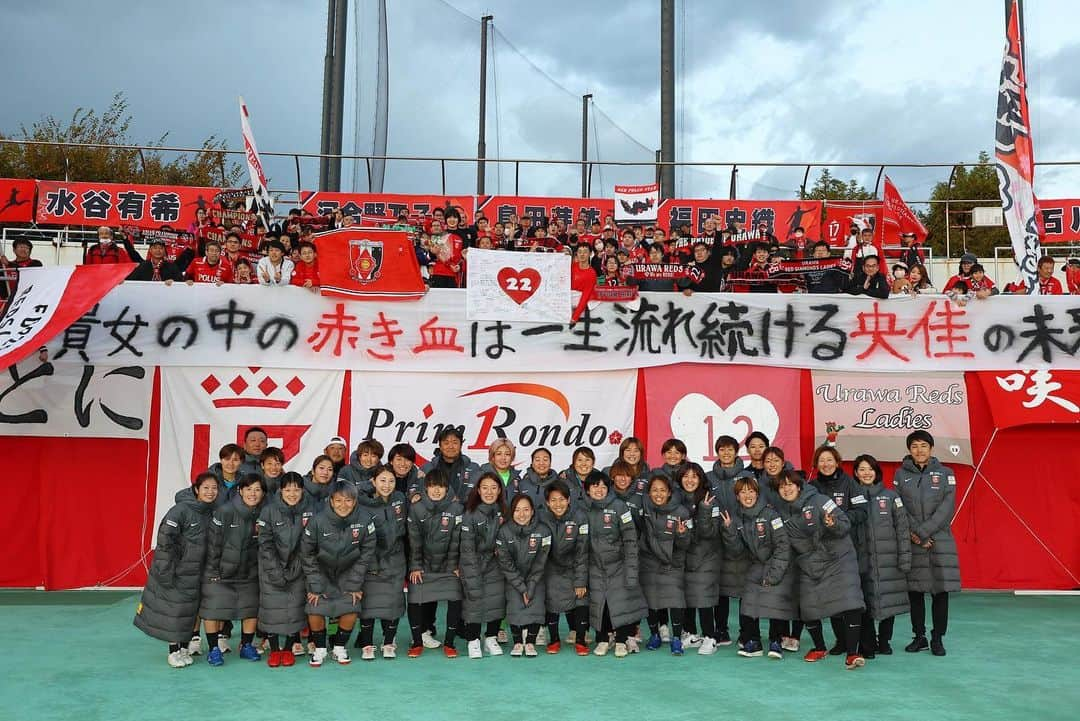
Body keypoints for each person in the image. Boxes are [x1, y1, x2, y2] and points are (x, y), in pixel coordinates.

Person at [772, 469, 866, 669]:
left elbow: (845, 523)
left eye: (790, 484)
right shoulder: (780, 512)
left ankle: (852, 653)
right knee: (809, 607)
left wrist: (832, 525)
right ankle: (819, 647)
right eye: (782, 486)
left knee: (850, 603)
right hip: (810, 563)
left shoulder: (820, 500)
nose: (786, 489)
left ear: (799, 486)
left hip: (839, 557)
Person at [134, 472, 219, 668]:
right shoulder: (180, 510)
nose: (210, 492)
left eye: (214, 488)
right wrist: (165, 570)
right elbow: (165, 541)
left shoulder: (211, 512)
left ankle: (183, 648)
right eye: (206, 487)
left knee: (188, 613)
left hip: (196, 573)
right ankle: (173, 651)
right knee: (174, 611)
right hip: (175, 572)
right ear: (196, 489)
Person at [894, 431, 960, 657]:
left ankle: (937, 638)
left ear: (931, 448)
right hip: (914, 542)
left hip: (939, 541)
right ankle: (919, 636)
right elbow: (899, 507)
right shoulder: (900, 475)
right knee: (915, 592)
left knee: (940, 592)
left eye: (924, 445)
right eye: (914, 446)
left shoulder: (946, 474)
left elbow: (946, 508)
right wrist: (917, 534)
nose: (919, 450)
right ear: (909, 449)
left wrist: (923, 532)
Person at [301, 480, 376, 666]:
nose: (344, 505)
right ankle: (319, 649)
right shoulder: (316, 522)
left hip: (348, 573)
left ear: (355, 501)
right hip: (321, 573)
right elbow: (307, 554)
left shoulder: (365, 521)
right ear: (331, 502)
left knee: (351, 604)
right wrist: (316, 585)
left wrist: (354, 584)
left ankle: (339, 648)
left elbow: (366, 554)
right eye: (339, 500)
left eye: (348, 500)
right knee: (315, 606)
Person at [721, 476, 795, 659]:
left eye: (751, 491)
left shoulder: (771, 514)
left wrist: (774, 573)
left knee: (774, 599)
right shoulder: (738, 518)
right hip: (755, 565)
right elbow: (737, 551)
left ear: (757, 493)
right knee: (748, 602)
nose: (747, 495)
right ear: (737, 496)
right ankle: (752, 641)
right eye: (742, 492)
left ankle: (775, 641)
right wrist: (729, 530)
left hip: (776, 564)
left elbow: (783, 546)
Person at [201, 473, 266, 666]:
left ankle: (246, 646)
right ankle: (213, 649)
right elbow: (213, 544)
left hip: (249, 571)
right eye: (248, 489)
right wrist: (213, 571)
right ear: (240, 491)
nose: (253, 494)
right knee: (213, 608)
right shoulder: (225, 511)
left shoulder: (264, 513)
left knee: (250, 609)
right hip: (221, 572)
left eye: (257, 490)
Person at [850, 454, 910, 659]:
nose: (866, 473)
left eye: (870, 469)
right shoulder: (852, 498)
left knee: (889, 602)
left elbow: (902, 530)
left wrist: (905, 558)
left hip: (888, 560)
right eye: (862, 469)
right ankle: (869, 642)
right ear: (856, 473)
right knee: (864, 603)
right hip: (862, 561)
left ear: (876, 472)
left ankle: (884, 641)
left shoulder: (892, 497)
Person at [582, 471, 647, 658]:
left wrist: (631, 569)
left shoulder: (620, 507)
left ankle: (621, 640)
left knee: (620, 604)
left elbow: (630, 540)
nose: (599, 490)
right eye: (595, 487)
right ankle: (603, 638)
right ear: (587, 490)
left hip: (619, 565)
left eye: (603, 486)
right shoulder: (583, 510)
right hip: (595, 566)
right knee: (599, 605)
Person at [256, 472, 317, 667]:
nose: (292, 493)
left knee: (295, 607)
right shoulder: (268, 511)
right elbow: (265, 543)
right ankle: (274, 649)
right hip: (270, 568)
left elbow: (310, 542)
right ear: (281, 490)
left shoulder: (311, 509)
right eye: (288, 489)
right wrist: (275, 570)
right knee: (272, 608)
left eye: (297, 489)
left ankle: (289, 647)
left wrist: (296, 567)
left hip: (299, 568)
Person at [406, 469, 464, 658]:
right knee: (414, 600)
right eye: (432, 486)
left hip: (448, 566)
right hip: (423, 565)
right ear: (426, 487)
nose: (437, 491)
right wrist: (415, 566)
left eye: (441, 486)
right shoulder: (416, 508)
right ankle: (416, 642)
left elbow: (456, 540)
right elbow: (414, 541)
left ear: (447, 489)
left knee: (455, 599)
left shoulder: (457, 509)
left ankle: (449, 643)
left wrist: (454, 566)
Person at [355, 465, 408, 660]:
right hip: (371, 562)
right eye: (382, 480)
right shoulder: (362, 504)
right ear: (373, 482)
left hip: (395, 561)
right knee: (369, 605)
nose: (387, 485)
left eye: (391, 481)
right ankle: (367, 645)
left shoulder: (400, 499)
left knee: (392, 604)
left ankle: (388, 643)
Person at [638, 473, 691, 655]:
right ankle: (655, 635)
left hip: (672, 564)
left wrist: (682, 534)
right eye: (654, 490)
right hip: (649, 562)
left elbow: (686, 544)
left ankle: (676, 638)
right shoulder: (645, 508)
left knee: (675, 601)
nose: (658, 494)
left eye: (662, 490)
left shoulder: (681, 512)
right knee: (652, 601)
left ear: (669, 492)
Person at [496, 494, 552, 657]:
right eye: (517, 510)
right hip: (513, 578)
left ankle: (530, 642)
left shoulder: (544, 531)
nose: (522, 514)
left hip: (536, 577)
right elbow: (506, 564)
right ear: (511, 512)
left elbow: (541, 561)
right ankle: (518, 642)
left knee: (535, 602)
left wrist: (531, 586)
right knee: (514, 603)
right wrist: (521, 587)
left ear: (533, 511)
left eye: (526, 509)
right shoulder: (504, 532)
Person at [537, 480, 589, 655]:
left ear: (569, 500)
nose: (557, 504)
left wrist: (580, 580)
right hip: (551, 568)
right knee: (552, 601)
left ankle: (580, 640)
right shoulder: (541, 518)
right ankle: (554, 640)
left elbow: (583, 551)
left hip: (575, 567)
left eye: (561, 499)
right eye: (553, 500)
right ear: (547, 502)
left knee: (581, 599)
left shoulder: (580, 517)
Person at [459, 472, 508, 658]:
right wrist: (472, 573)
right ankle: (473, 640)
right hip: (474, 563)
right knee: (474, 600)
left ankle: (491, 638)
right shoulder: (470, 515)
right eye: (485, 488)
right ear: (478, 490)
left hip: (496, 565)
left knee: (496, 599)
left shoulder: (503, 512)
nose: (489, 492)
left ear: (499, 491)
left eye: (494, 488)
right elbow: (467, 548)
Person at [677, 463, 722, 655]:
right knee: (687, 596)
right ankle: (691, 634)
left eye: (694, 476)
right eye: (685, 476)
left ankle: (710, 636)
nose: (689, 480)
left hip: (707, 555)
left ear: (701, 479)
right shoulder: (676, 500)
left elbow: (709, 533)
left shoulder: (710, 500)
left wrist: (704, 508)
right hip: (684, 554)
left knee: (703, 596)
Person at [706, 434, 747, 647]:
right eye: (722, 449)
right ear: (717, 451)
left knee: (742, 588)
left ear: (736, 452)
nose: (726, 453)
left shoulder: (747, 476)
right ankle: (721, 630)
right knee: (719, 587)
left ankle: (745, 632)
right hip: (715, 540)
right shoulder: (708, 477)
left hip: (741, 538)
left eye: (730, 449)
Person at [420, 427, 481, 501]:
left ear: (461, 445)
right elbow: (421, 493)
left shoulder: (474, 468)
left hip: (465, 510)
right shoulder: (427, 468)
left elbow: (478, 495)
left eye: (455, 443)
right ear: (440, 446)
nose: (451, 447)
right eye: (446, 443)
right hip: (435, 511)